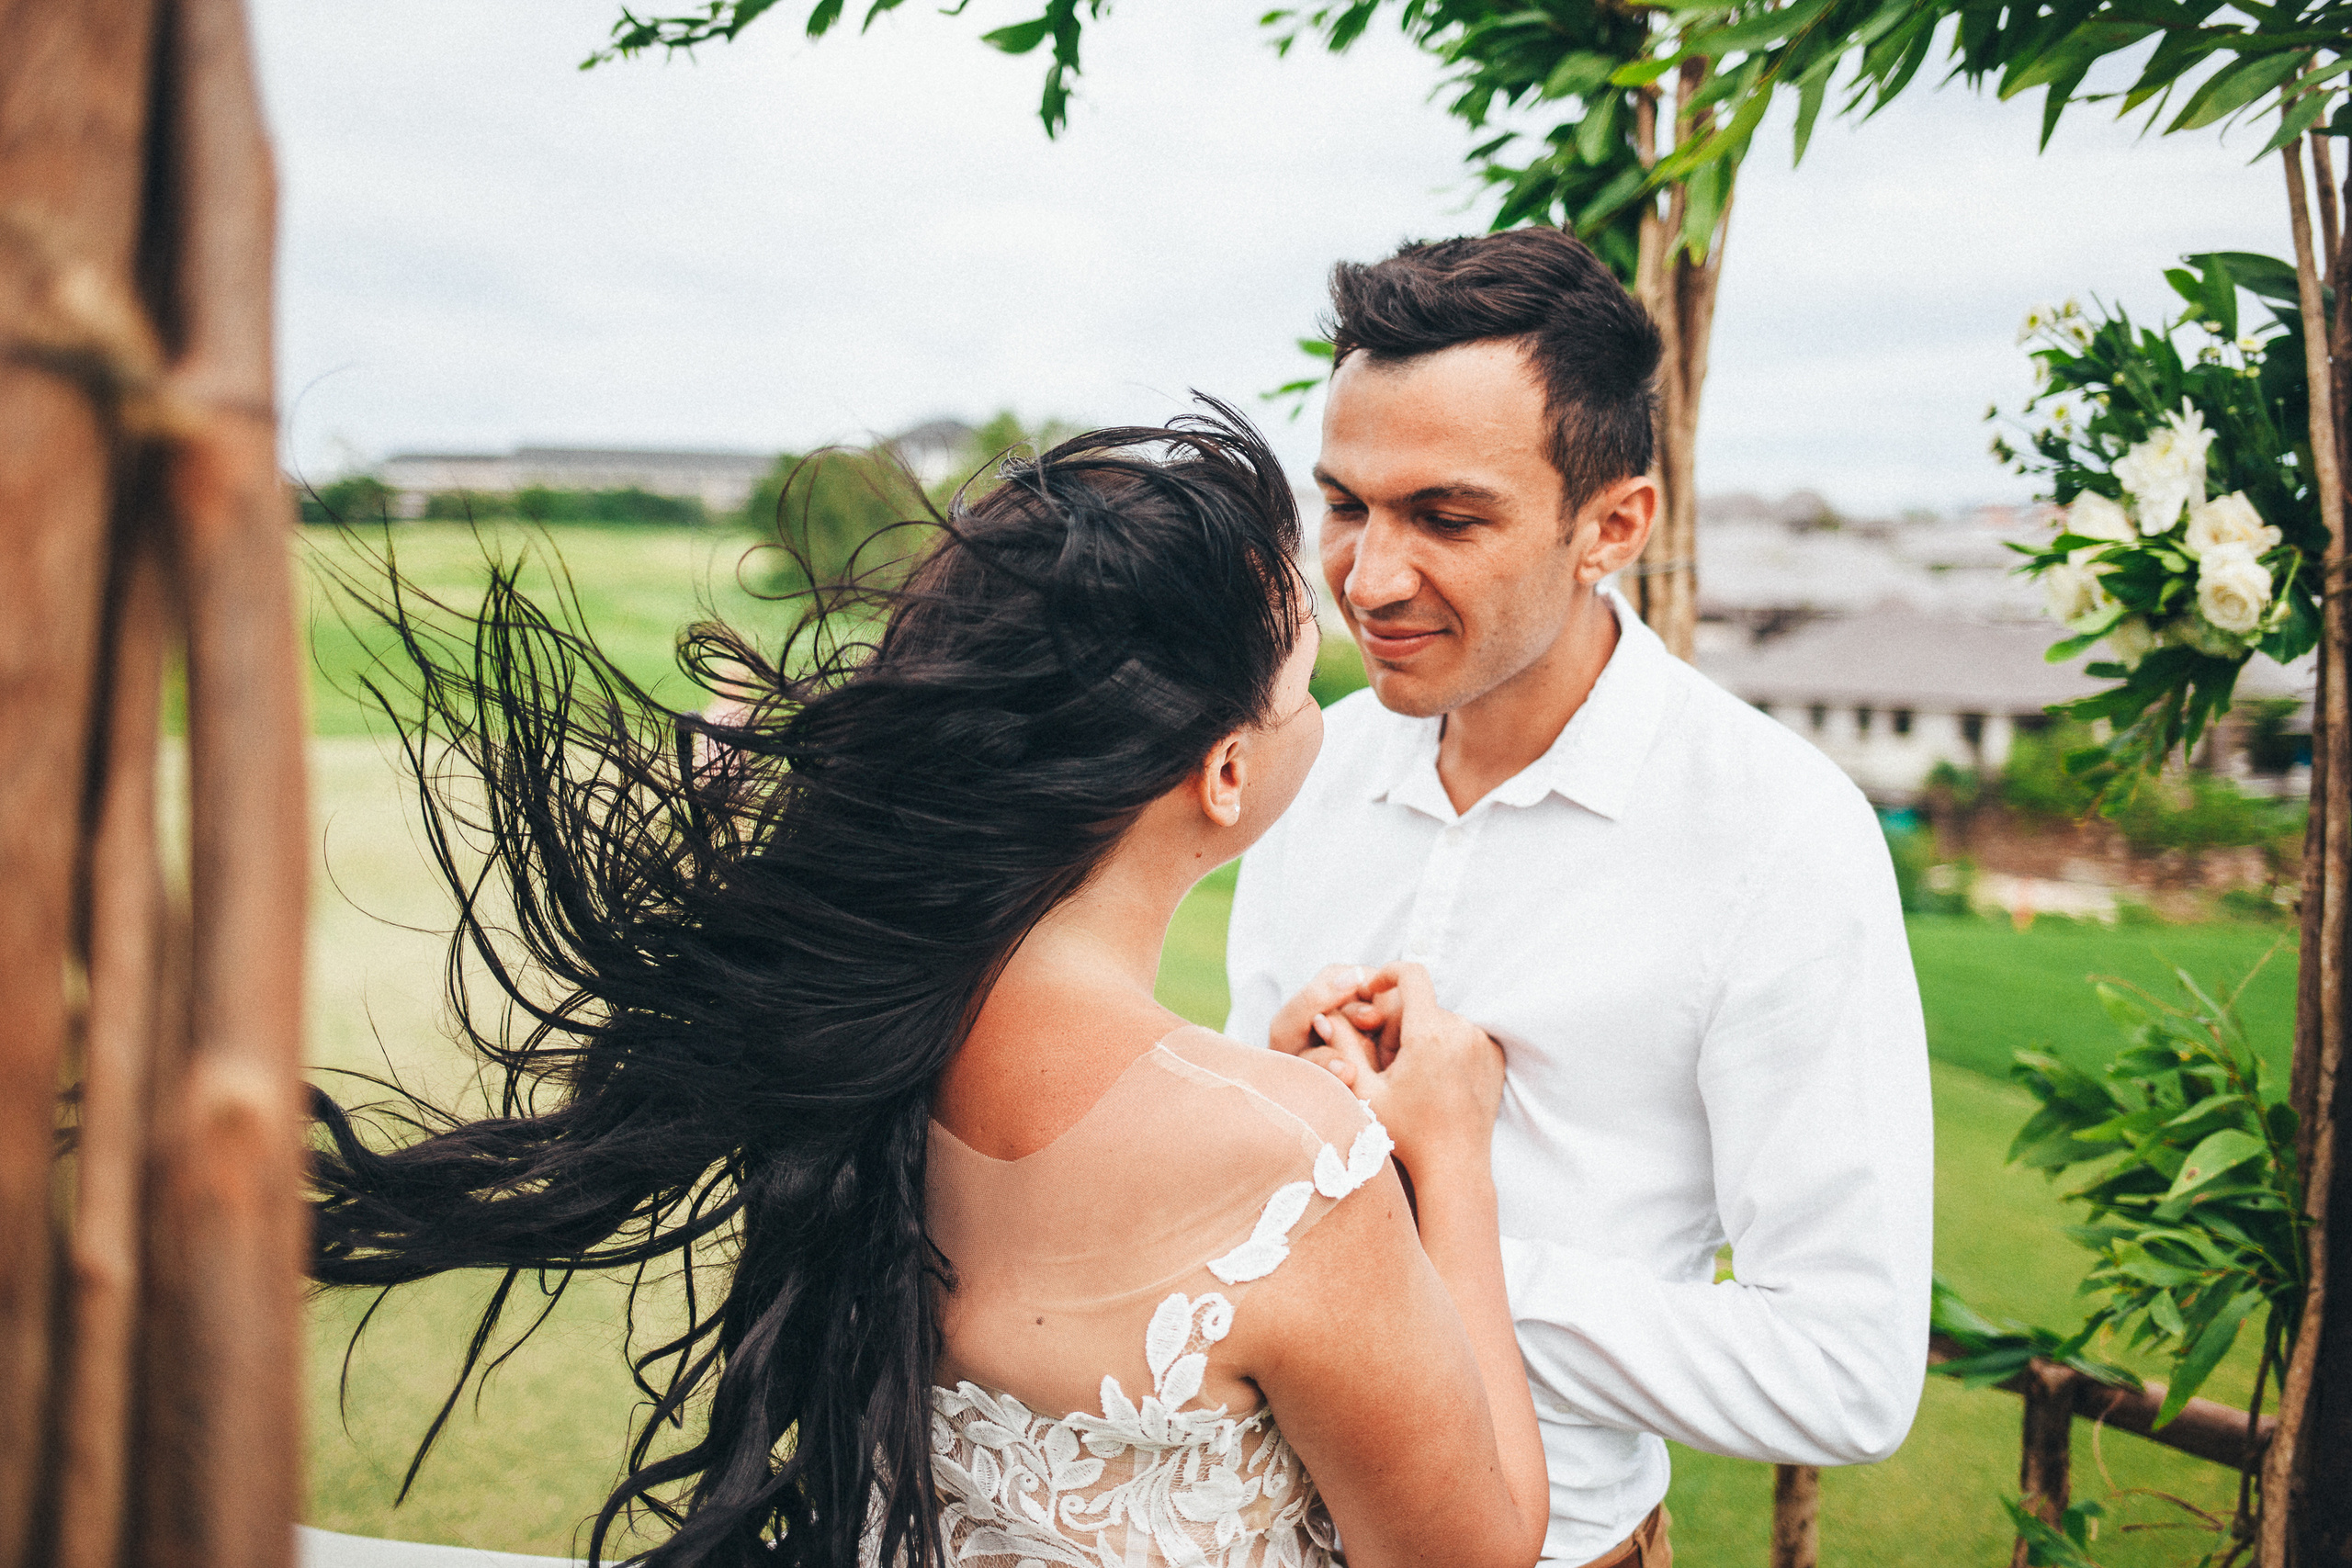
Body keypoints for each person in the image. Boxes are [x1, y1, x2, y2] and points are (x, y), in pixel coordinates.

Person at [307, 406, 1550, 1568]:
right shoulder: (1294, 1162)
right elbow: (1479, 1553)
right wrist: (1448, 1154)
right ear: (1225, 774)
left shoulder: (875, 1022)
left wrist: (1274, 1091)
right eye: (1298, 684)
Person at [1225, 231, 1936, 1567]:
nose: (1369, 580)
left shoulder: (1782, 839)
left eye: (1445, 517)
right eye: (1345, 505)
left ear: (1613, 526)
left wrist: (1437, 1266)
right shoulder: (1307, 779)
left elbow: (1844, 1368)